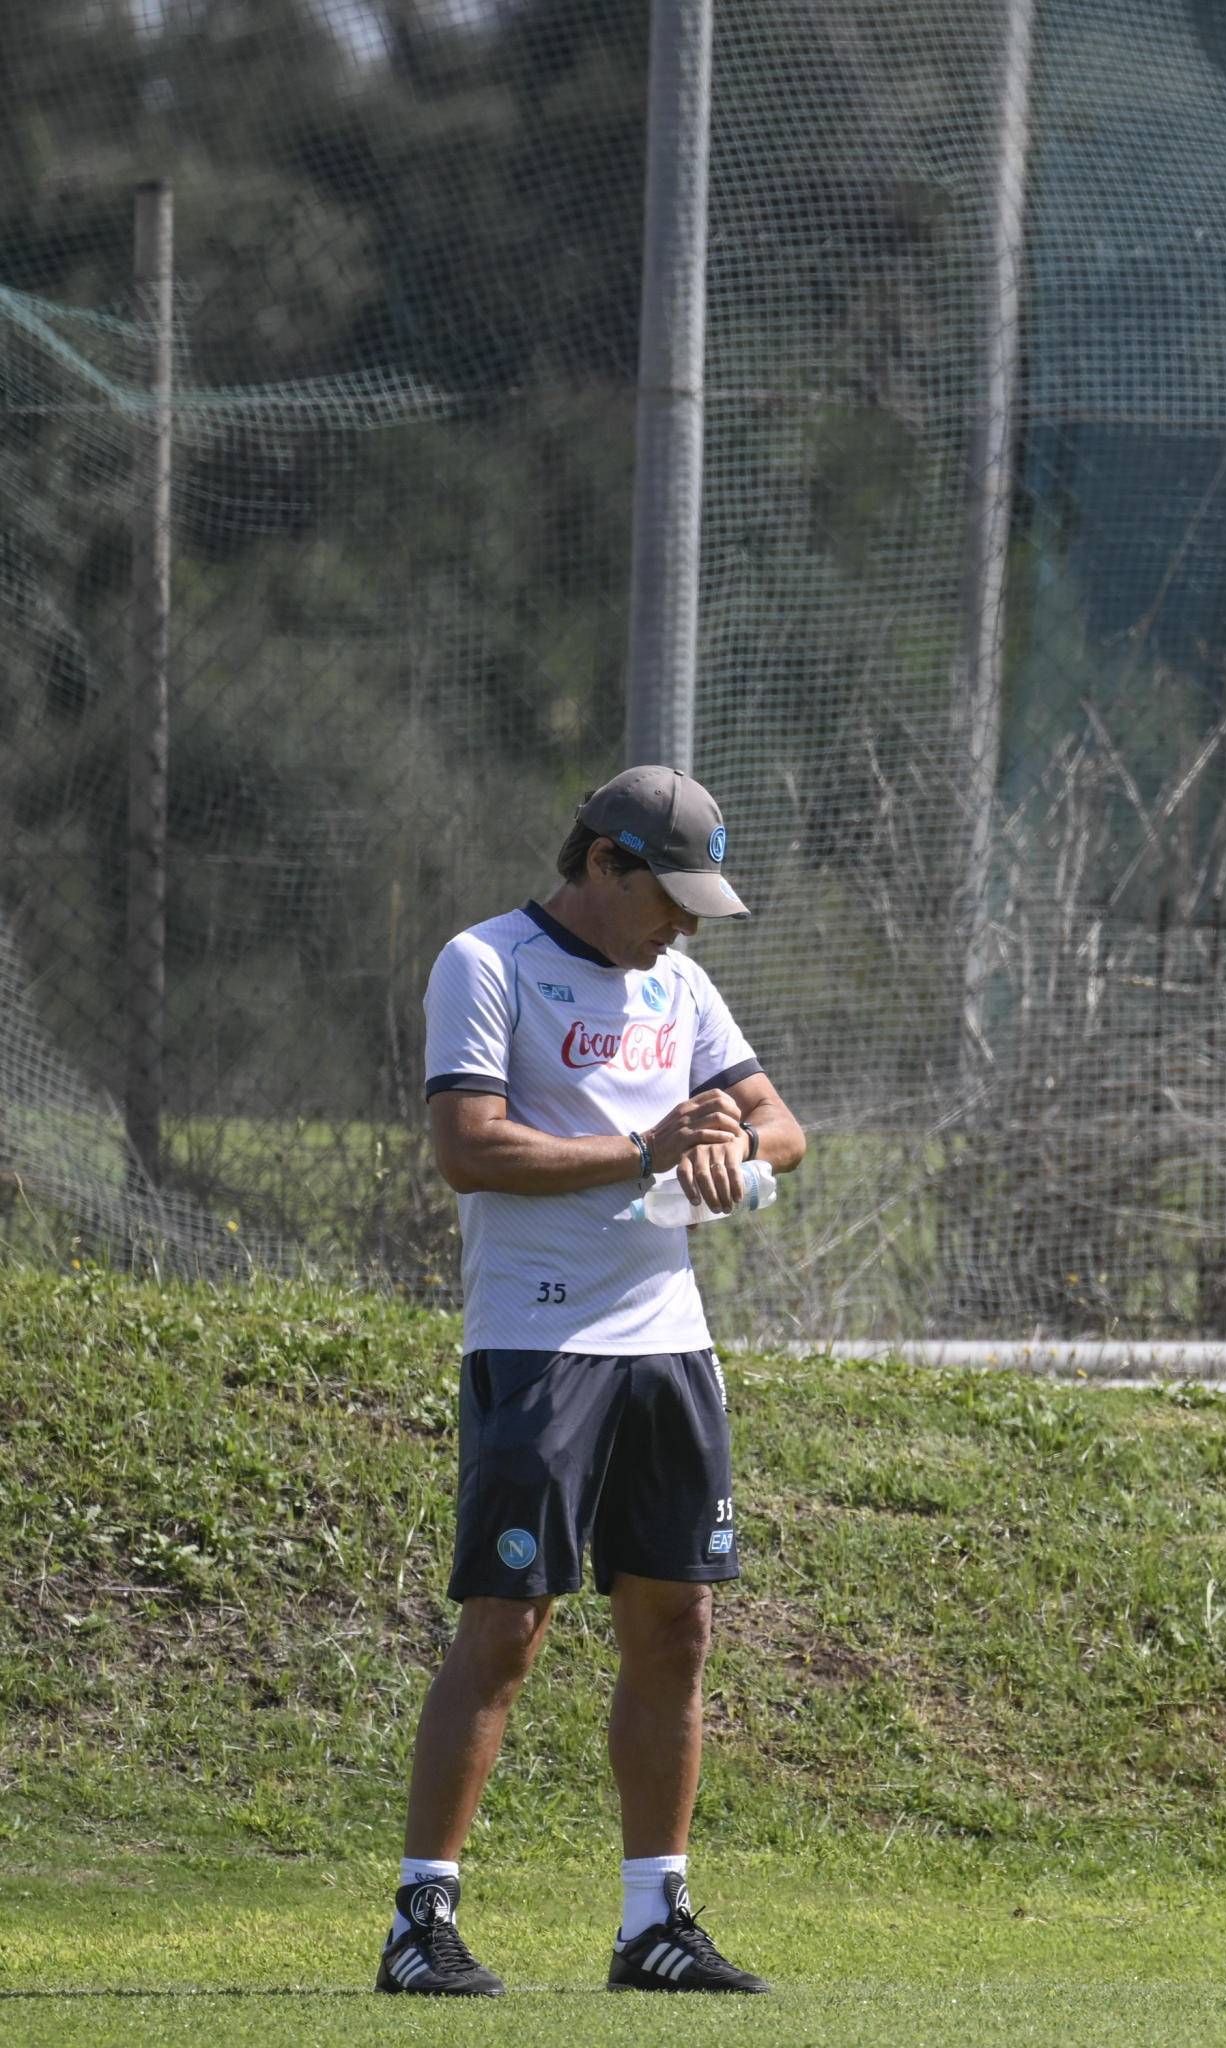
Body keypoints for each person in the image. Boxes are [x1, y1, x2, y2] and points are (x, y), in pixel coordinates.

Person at [378, 765, 803, 1997]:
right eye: (668, 897)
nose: (681, 927)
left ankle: (653, 1923)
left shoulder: (680, 983)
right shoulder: (487, 962)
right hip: (538, 1341)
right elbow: (468, 1147)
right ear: (604, 862)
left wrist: (730, 1150)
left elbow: (783, 1125)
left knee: (679, 1624)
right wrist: (642, 1146)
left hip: (670, 1344)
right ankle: (419, 1921)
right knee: (507, 1626)